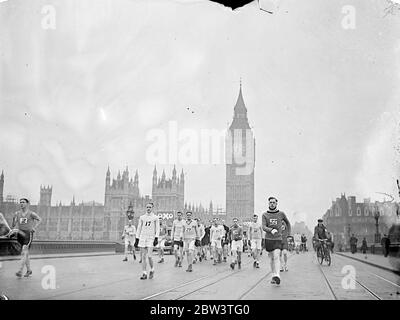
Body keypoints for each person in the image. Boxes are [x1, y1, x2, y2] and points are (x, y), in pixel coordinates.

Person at [262, 196, 291, 285]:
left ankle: (277, 275)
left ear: (276, 203)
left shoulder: (281, 214)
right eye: (270, 202)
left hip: (278, 238)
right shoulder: (265, 214)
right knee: (271, 258)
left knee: (276, 256)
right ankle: (273, 274)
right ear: (268, 203)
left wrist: (289, 234)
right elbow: (263, 227)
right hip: (268, 239)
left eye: (274, 202)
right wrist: (271, 230)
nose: (272, 204)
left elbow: (288, 223)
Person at [12, 198, 42, 278]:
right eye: (20, 202)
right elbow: (13, 225)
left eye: (23, 202)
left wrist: (34, 227)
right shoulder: (17, 213)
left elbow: (39, 220)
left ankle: (20, 270)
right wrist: (13, 219)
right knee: (26, 254)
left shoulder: (32, 214)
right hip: (20, 234)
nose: (21, 204)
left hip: (28, 234)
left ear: (27, 204)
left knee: (24, 252)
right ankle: (29, 270)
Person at [135, 202, 160, 280]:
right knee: (143, 257)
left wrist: (156, 238)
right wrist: (137, 238)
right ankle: (144, 273)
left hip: (151, 238)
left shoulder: (155, 217)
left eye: (150, 207)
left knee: (149, 256)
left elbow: (157, 228)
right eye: (147, 207)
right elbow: (139, 228)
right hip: (143, 238)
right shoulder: (142, 217)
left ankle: (152, 269)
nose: (148, 208)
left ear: (152, 208)